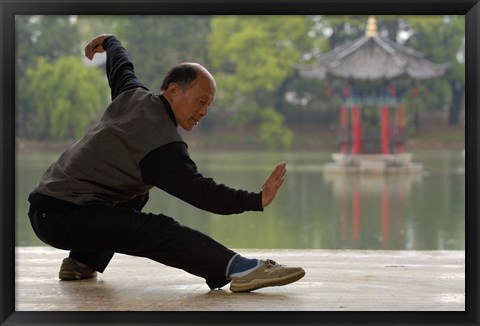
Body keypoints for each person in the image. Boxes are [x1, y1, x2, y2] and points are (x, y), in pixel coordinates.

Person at [27, 34, 305, 293]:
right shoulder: (161, 145)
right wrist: (256, 199)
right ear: (173, 91)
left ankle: (81, 262)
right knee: (157, 230)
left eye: (209, 105)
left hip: (45, 210)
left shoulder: (132, 94)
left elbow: (121, 65)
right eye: (200, 101)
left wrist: (110, 42)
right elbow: (203, 193)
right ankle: (239, 269)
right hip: (63, 217)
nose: (204, 112)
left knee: (136, 194)